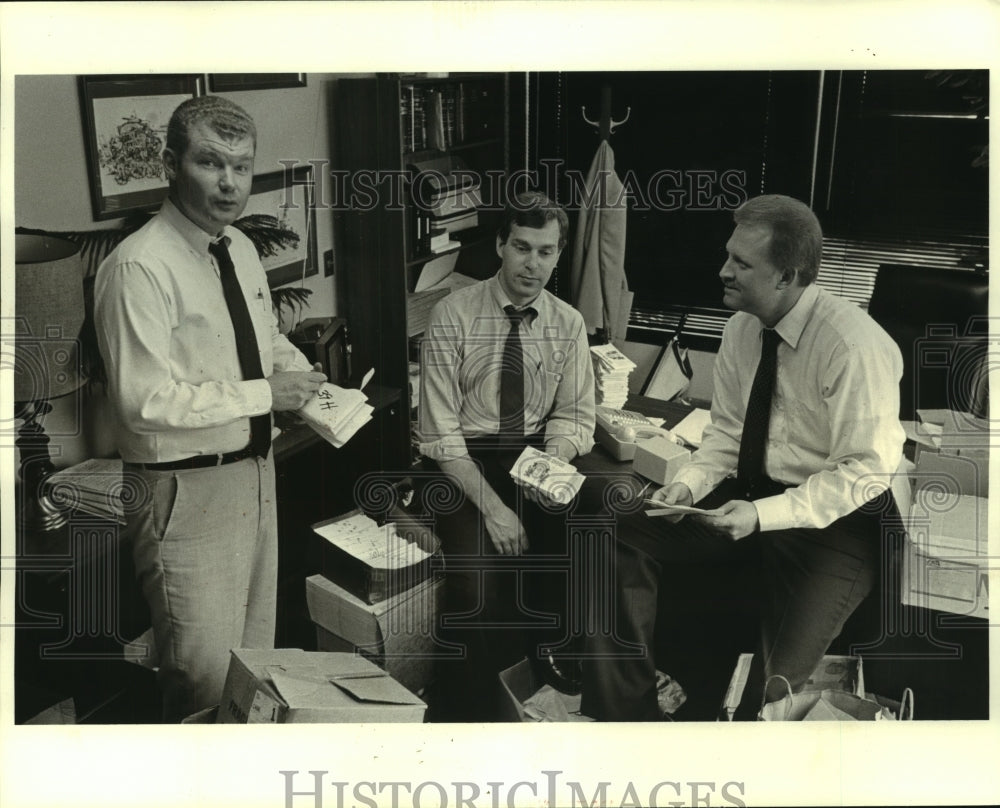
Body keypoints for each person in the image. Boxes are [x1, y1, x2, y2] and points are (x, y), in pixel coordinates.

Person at [581, 194, 906, 720]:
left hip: (838, 525)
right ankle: (625, 716)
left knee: (769, 695)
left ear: (787, 276)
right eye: (727, 255)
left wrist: (761, 516)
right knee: (612, 525)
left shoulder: (853, 348)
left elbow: (864, 474)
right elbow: (728, 432)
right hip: (755, 494)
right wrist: (689, 484)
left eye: (741, 263)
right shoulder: (742, 327)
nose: (723, 271)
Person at [94, 96, 326, 721]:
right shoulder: (138, 267)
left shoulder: (238, 248)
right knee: (199, 679)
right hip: (183, 493)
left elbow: (260, 338)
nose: (230, 183)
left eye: (242, 168)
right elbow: (142, 402)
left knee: (253, 667)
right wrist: (264, 396)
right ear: (172, 164)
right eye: (211, 163)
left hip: (253, 473)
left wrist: (305, 381)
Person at [418, 191, 596, 721]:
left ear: (559, 254)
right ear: (500, 245)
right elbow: (440, 434)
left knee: (581, 545)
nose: (532, 264)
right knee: (478, 579)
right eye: (522, 247)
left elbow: (576, 417)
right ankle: (474, 706)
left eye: (546, 251)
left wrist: (554, 461)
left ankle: (549, 668)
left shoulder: (568, 323)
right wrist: (496, 510)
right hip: (461, 461)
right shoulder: (452, 314)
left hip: (534, 453)